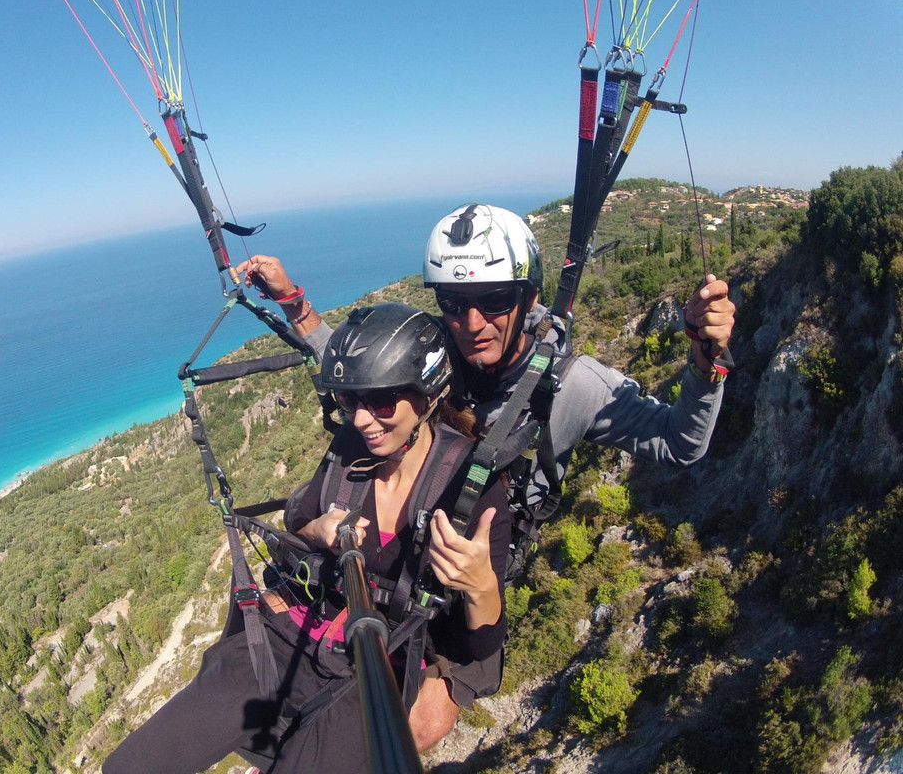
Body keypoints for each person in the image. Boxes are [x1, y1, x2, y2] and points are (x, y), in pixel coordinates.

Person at [234, 201, 736, 737]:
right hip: (400, 548)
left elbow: (681, 443)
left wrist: (708, 364)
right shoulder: (434, 349)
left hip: (473, 582)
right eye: (453, 303)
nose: (471, 324)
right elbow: (358, 364)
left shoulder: (571, 386)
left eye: (494, 301)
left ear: (529, 298)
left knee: (420, 725)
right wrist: (292, 299)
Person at [102, 303, 511, 774]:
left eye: (380, 402)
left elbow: (478, 647)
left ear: (429, 395)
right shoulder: (348, 455)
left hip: (375, 670)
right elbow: (295, 528)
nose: (361, 420)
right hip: (287, 636)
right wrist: (314, 532)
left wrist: (479, 586)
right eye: (349, 401)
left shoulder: (471, 492)